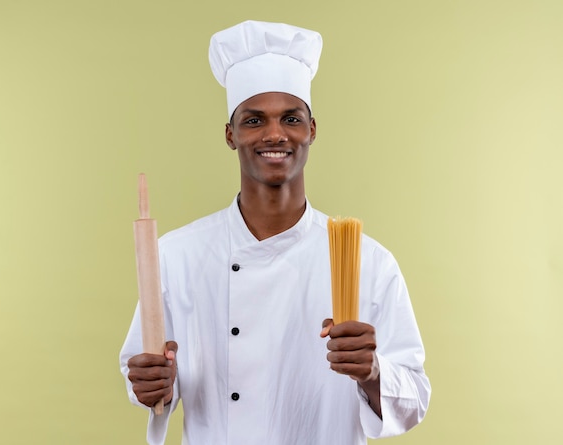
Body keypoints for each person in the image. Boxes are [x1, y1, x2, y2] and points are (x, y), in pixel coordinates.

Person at [120, 20, 431, 444]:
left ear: (311, 130)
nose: (274, 134)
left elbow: (414, 399)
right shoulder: (176, 256)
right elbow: (146, 380)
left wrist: (372, 371)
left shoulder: (367, 262)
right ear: (231, 135)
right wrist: (152, 385)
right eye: (253, 120)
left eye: (290, 118)